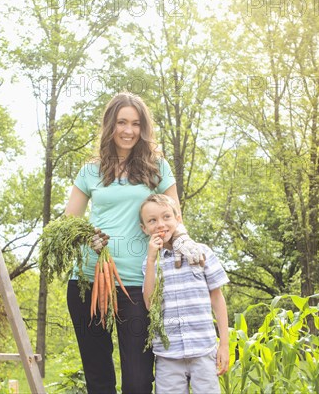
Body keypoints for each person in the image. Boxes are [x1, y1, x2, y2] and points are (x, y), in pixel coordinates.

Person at [64, 92, 203, 394]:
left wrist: (186, 244)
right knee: (98, 379)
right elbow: (68, 222)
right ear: (110, 125)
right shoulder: (91, 170)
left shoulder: (156, 167)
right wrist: (87, 236)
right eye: (122, 122)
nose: (128, 130)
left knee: (139, 381)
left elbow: (175, 217)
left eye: (136, 124)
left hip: (139, 283)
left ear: (144, 128)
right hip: (89, 280)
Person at [140, 194, 229, 394]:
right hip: (168, 356)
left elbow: (217, 299)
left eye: (166, 217)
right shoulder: (150, 264)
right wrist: (152, 260)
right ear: (144, 229)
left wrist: (224, 345)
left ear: (178, 219)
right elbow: (149, 304)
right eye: (152, 221)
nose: (160, 224)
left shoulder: (201, 252)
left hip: (204, 350)